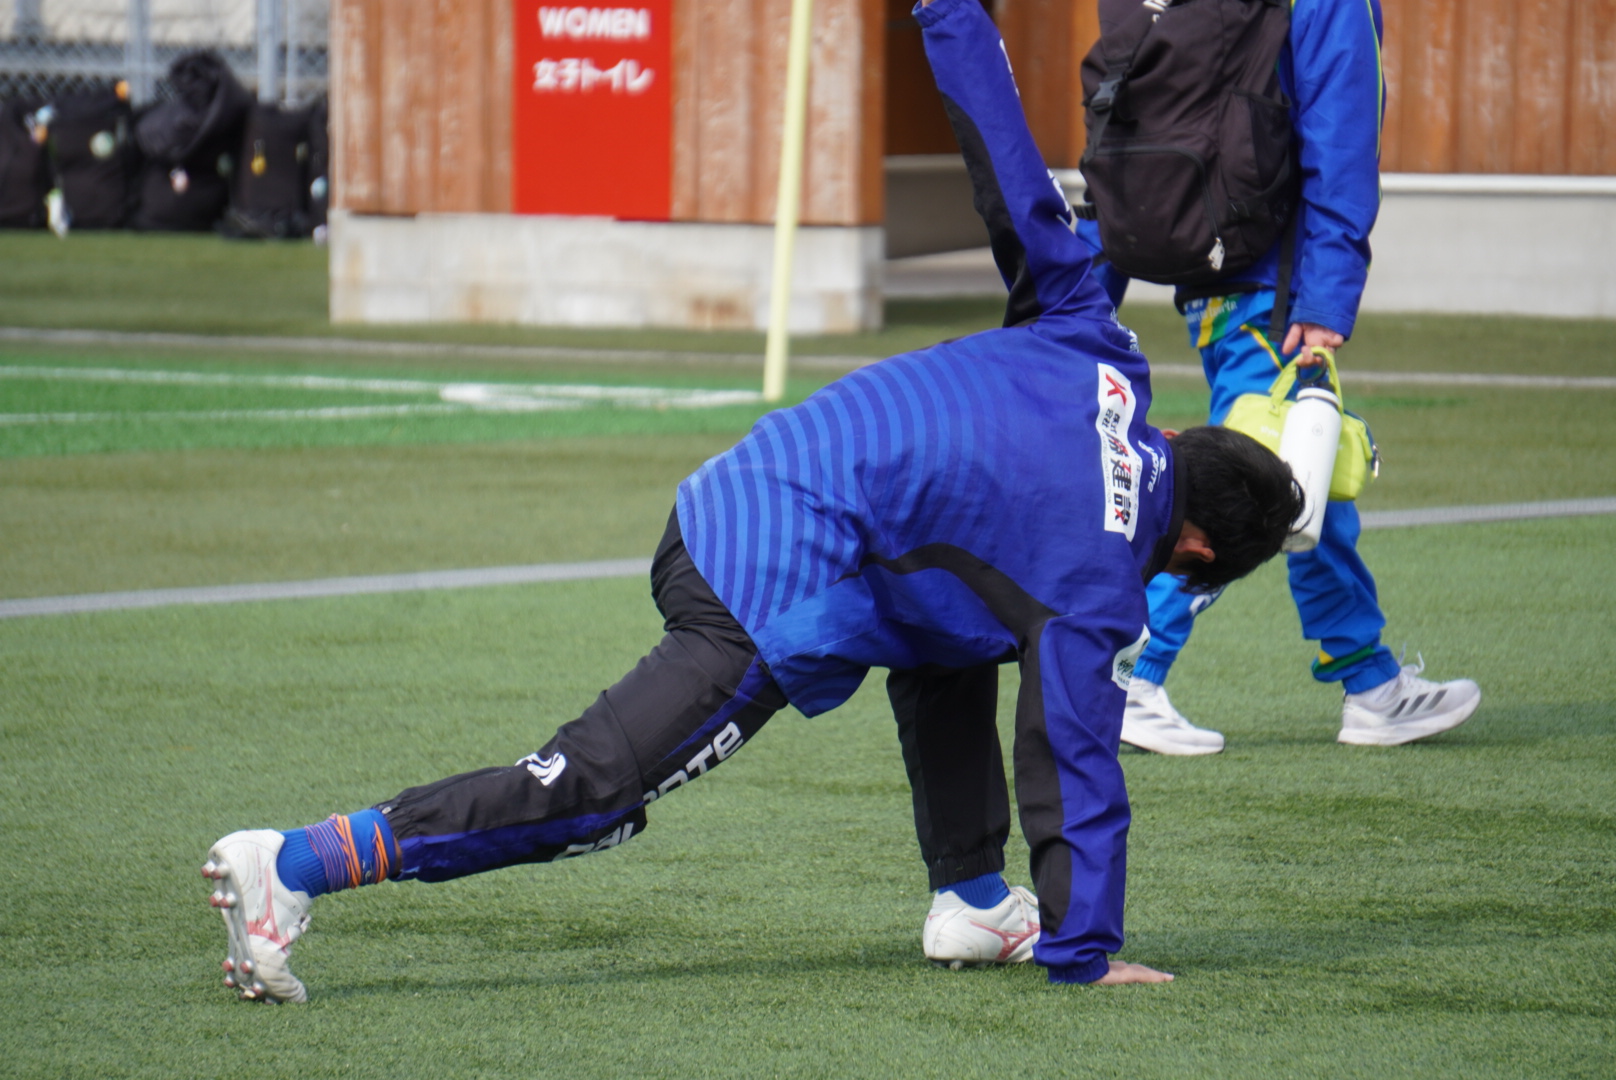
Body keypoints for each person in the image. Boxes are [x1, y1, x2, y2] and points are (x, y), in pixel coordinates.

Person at [201, 0, 1305, 1003]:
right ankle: (294, 861)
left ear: (1176, 436)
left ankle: (972, 900)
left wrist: (950, 11)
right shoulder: (1100, 580)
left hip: (741, 488)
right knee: (594, 795)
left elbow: (1007, 166)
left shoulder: (1097, 342)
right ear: (1194, 551)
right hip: (768, 579)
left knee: (960, 625)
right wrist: (1087, 948)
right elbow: (1074, 762)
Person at [1072, 0, 1480, 755]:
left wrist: (1088, 291)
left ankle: (1368, 680)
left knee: (1307, 483)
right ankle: (1127, 675)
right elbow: (1342, 137)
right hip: (1275, 288)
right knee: (1252, 494)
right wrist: (1325, 300)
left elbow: (1118, 130)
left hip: (1206, 269)